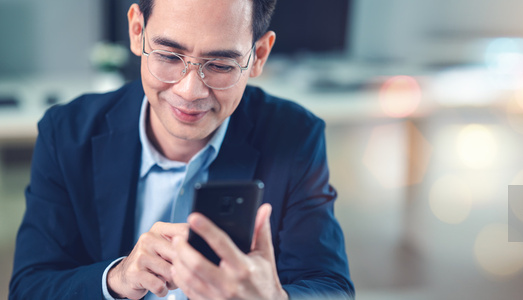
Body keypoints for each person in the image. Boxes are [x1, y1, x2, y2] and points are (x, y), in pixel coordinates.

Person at [9, 0, 354, 299]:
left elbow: (332, 288)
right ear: (136, 31)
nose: (190, 91)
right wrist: (117, 279)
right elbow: (29, 288)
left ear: (258, 56)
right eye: (169, 56)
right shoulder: (66, 133)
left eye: (220, 65)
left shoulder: (295, 137)